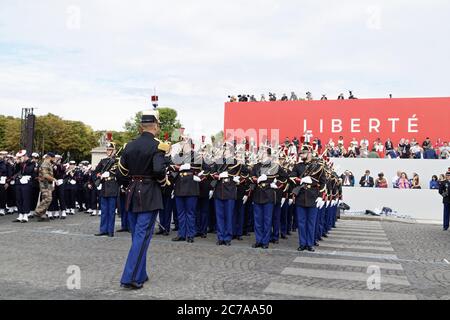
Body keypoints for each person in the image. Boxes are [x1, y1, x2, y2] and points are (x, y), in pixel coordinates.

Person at [117, 109, 170, 290]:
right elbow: (158, 171)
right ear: (155, 126)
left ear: (141, 127)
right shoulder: (159, 146)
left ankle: (141, 273)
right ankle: (130, 277)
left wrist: (127, 185)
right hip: (149, 193)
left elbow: (121, 173)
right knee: (142, 236)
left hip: (132, 192)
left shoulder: (128, 146)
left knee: (136, 236)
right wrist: (164, 183)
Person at [289, 145, 326, 252]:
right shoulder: (297, 166)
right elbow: (291, 177)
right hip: (300, 196)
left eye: (303, 153)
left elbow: (323, 183)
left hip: (313, 196)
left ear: (309, 154)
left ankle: (309, 244)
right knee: (301, 222)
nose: (301, 155)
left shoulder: (318, 167)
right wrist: (301, 180)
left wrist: (320, 197)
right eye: (301, 153)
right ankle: (302, 243)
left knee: (311, 222)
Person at [94, 142, 120, 237]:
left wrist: (111, 174)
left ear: (114, 151)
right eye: (107, 149)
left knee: (111, 211)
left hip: (112, 186)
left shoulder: (117, 161)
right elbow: (96, 171)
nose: (108, 151)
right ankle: (103, 230)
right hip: (104, 186)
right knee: (104, 210)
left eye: (110, 150)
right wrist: (99, 175)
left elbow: (120, 173)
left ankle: (110, 231)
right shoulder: (103, 161)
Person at [12, 150, 36, 223]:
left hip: (26, 183)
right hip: (19, 182)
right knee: (19, 199)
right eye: (19, 157)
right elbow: (15, 171)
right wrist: (17, 163)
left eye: (21, 157)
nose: (20, 158)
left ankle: (25, 215)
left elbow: (28, 171)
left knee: (25, 198)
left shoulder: (31, 163)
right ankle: (20, 215)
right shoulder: (20, 163)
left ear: (25, 156)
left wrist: (22, 163)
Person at [35, 153, 57, 222]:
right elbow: (45, 175)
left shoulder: (49, 164)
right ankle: (38, 211)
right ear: (50, 157)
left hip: (48, 184)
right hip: (45, 184)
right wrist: (54, 179)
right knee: (48, 199)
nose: (54, 159)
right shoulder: (45, 164)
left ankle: (42, 215)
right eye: (54, 157)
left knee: (45, 199)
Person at [0, 151, 9, 216]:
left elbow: (9, 173)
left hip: (3, 180)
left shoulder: (7, 164)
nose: (4, 156)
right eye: (2, 155)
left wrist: (7, 182)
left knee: (3, 195)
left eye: (5, 155)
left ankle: (2, 209)